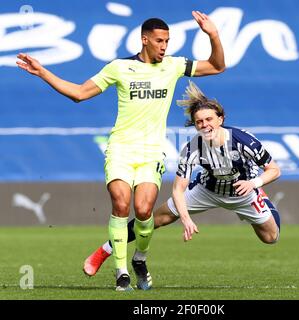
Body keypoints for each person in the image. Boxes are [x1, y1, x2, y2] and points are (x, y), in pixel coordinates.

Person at [17, 11, 225, 292]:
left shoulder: (173, 66)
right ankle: (121, 271)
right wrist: (42, 72)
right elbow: (79, 93)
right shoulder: (119, 67)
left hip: (152, 152)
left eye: (167, 41)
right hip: (120, 149)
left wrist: (212, 34)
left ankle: (140, 258)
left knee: (143, 209)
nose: (165, 46)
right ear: (145, 40)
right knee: (120, 203)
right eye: (160, 41)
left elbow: (216, 66)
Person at [83, 81, 281, 285]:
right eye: (199, 122)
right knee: (155, 218)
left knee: (271, 238)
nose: (205, 125)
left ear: (221, 119)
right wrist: (185, 218)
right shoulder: (192, 148)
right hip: (207, 190)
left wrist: (255, 183)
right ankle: (107, 253)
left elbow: (274, 170)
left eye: (209, 119)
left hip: (245, 192)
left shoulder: (243, 141)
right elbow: (178, 189)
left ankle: (263, 199)